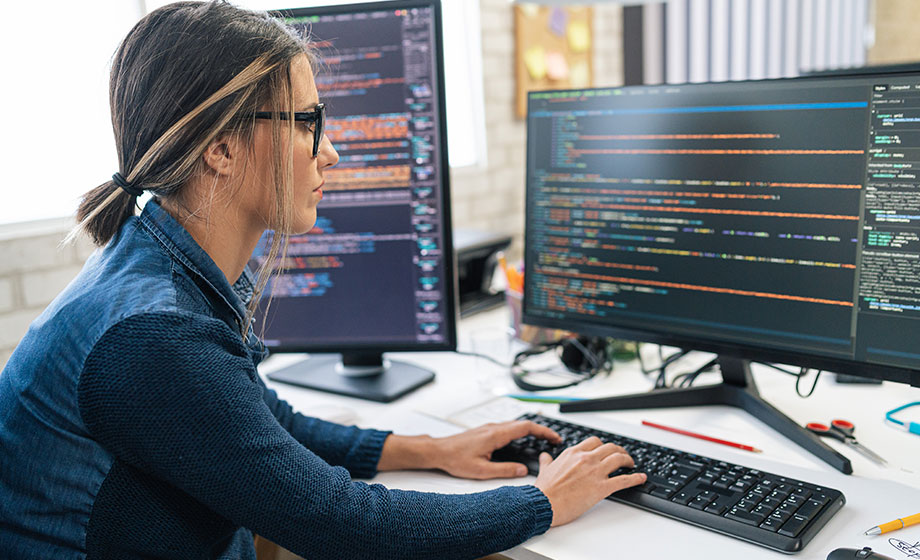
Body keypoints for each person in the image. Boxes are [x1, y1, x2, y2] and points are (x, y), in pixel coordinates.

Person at [0, 2, 646, 559]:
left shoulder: (158, 267)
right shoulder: (154, 336)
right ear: (219, 148)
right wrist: (542, 500)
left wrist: (434, 450)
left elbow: (260, 423)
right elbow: (341, 526)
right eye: (307, 122)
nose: (329, 151)